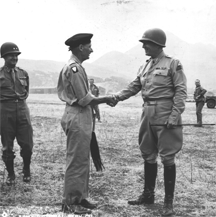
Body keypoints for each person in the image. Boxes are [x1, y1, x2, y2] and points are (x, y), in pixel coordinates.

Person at [109, 28, 187, 216]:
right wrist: (116, 97)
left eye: (146, 43)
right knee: (147, 153)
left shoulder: (173, 64)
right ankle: (148, 195)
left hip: (165, 112)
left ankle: (168, 203)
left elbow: (181, 91)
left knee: (167, 156)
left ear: (157, 45)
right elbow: (134, 86)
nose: (143, 46)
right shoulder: (145, 66)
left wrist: (174, 116)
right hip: (147, 112)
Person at [57, 33, 115, 215]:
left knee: (82, 158)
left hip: (81, 116)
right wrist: (106, 98)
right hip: (78, 115)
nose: (92, 49)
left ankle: (80, 197)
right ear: (81, 47)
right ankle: (71, 201)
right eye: (89, 46)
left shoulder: (77, 67)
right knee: (76, 160)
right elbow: (84, 99)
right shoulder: (74, 68)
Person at [0, 42, 33, 185]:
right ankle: (11, 174)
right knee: (7, 147)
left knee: (27, 145)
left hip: (22, 110)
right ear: (4, 57)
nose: (14, 58)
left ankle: (26, 170)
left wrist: (20, 105)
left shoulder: (23, 73)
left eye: (16, 55)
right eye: (10, 55)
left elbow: (26, 93)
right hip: (5, 111)